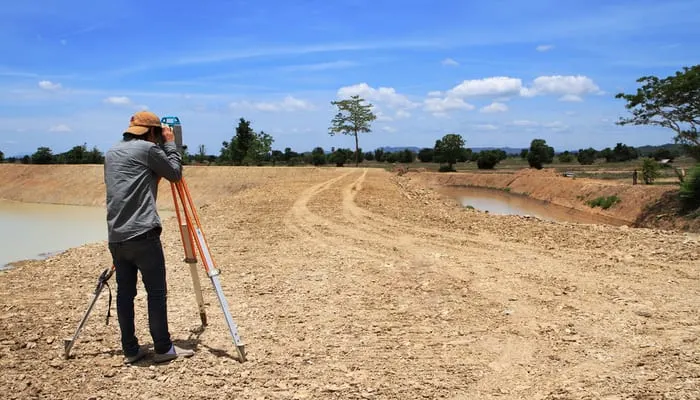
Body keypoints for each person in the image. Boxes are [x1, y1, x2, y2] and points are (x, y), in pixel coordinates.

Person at [104, 110, 194, 364]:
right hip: (143, 233)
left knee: (125, 293)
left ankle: (130, 350)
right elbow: (175, 173)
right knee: (156, 292)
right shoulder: (148, 150)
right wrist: (170, 144)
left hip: (116, 236)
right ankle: (164, 348)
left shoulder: (111, 152)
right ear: (152, 131)